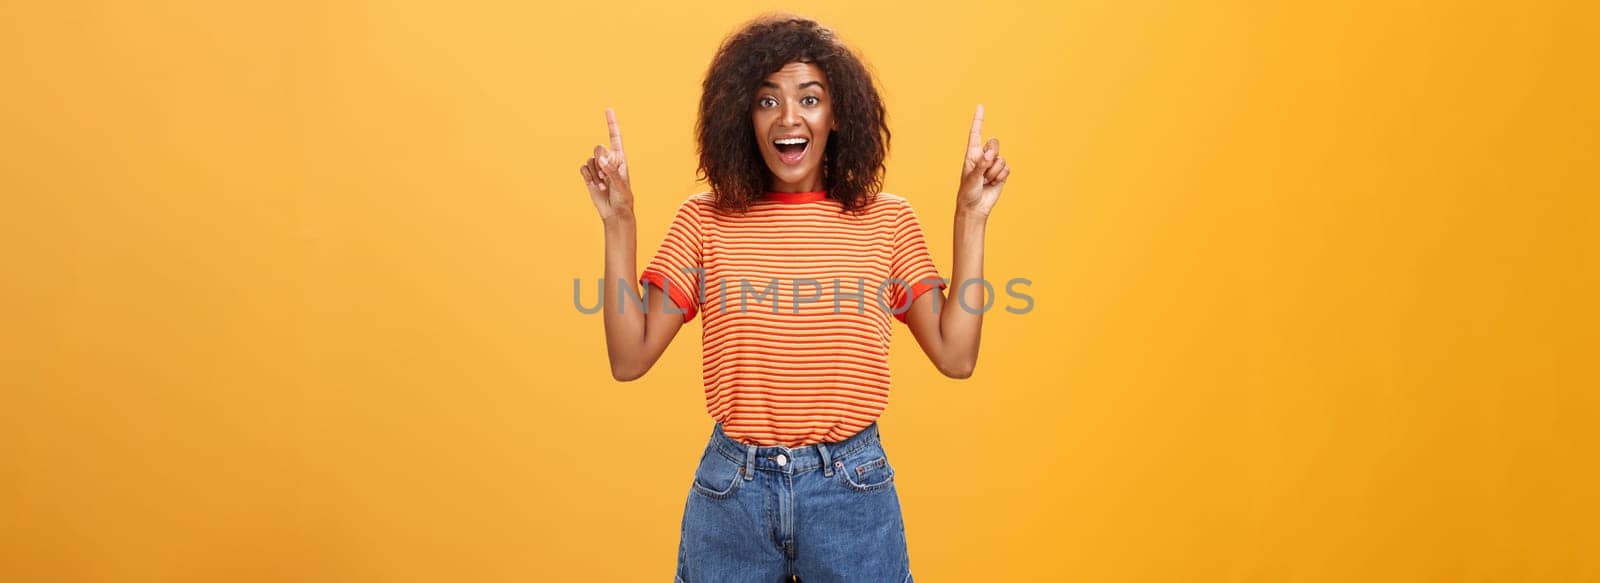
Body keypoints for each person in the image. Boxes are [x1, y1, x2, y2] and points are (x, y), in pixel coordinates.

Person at [578, 14, 1010, 582]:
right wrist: (619, 221)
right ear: (744, 119)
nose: (788, 117)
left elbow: (957, 356)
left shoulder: (886, 222)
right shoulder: (705, 221)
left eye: (810, 98)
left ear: (837, 117)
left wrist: (971, 216)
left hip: (851, 491)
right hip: (733, 493)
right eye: (766, 101)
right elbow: (628, 358)